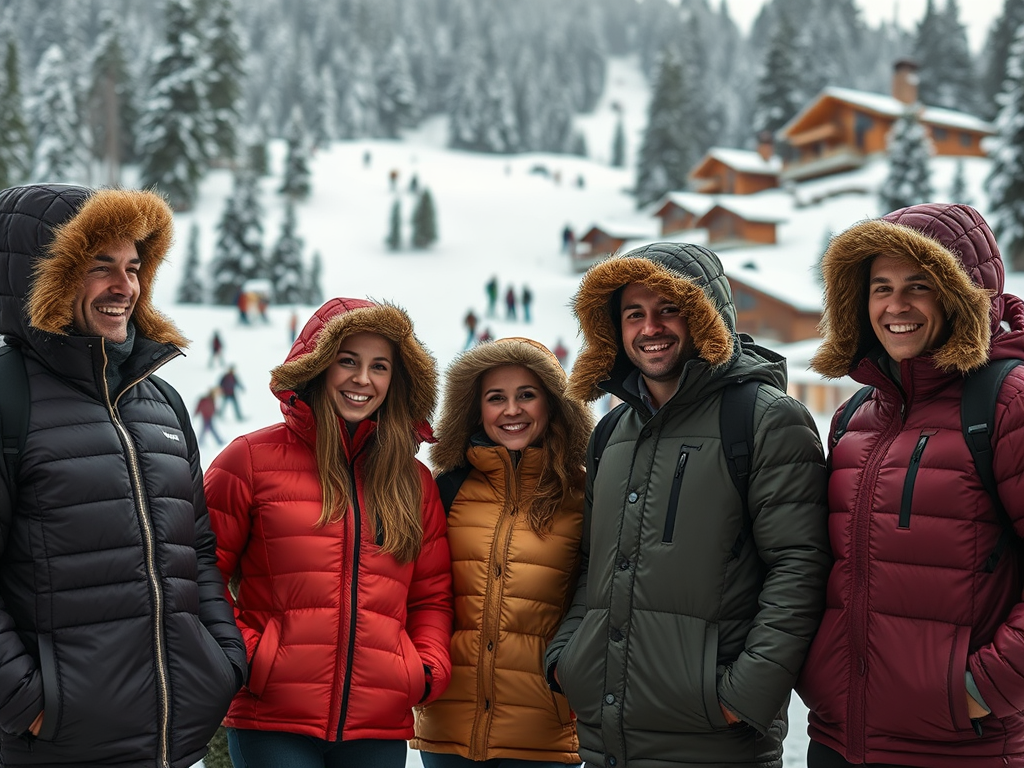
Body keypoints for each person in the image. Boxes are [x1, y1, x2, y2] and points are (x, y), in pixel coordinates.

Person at [545, 243, 831, 768]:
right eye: (635, 314)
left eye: (668, 309)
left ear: (703, 314)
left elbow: (800, 566)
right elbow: (595, 563)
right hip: (608, 731)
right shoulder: (612, 431)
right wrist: (571, 661)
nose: (650, 327)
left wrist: (742, 696)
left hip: (713, 737)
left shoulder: (765, 419)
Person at [0, 183, 246, 766]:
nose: (124, 286)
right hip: (57, 747)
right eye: (100, 265)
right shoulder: (9, 399)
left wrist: (221, 661)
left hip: (169, 741)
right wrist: (29, 704)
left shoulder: (159, 401)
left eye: (134, 267)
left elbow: (198, 551)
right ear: (45, 275)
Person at [797, 203, 1024, 768]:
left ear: (962, 295)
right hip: (836, 738)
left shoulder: (1006, 403)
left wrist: (978, 690)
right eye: (880, 286)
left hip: (954, 747)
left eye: (918, 285)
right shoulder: (855, 415)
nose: (895, 306)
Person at [204, 296, 454, 768]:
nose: (363, 379)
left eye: (379, 366)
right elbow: (198, 577)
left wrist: (419, 671)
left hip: (377, 722)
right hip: (273, 720)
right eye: (348, 361)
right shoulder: (249, 462)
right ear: (318, 366)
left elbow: (432, 597)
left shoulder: (413, 482)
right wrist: (249, 657)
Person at [412, 337, 594, 767]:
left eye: (526, 395)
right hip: (448, 731)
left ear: (553, 404)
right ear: (477, 410)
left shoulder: (583, 495)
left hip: (543, 733)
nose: (512, 410)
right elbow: (420, 594)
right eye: (496, 398)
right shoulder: (448, 489)